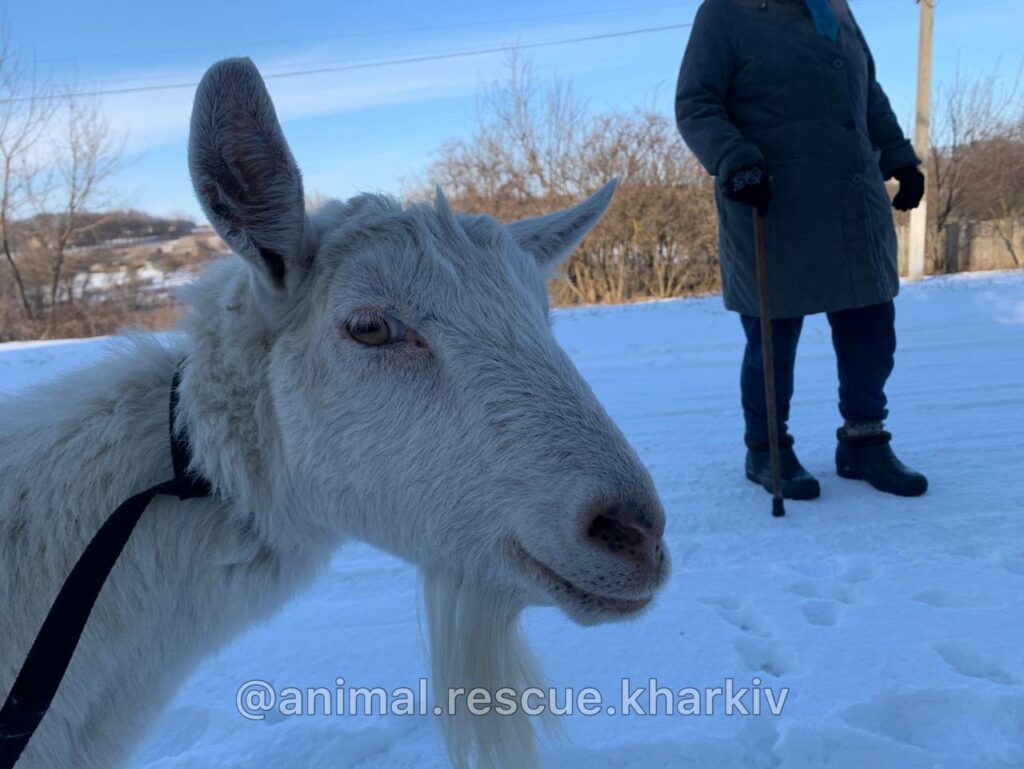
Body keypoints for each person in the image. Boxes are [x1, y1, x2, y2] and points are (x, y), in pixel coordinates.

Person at [675, 0, 928, 499]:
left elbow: (867, 91)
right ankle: (766, 450)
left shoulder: (834, 7)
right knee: (773, 342)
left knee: (871, 331)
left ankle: (864, 442)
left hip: (852, 200)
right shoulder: (727, 13)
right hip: (773, 203)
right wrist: (733, 158)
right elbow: (696, 103)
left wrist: (899, 155)